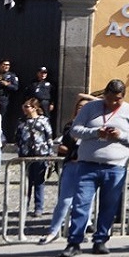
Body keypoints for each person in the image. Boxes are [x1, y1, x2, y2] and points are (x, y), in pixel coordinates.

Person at [60, 79, 129, 257]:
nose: (114, 103)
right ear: (105, 94)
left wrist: (121, 135)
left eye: (118, 99)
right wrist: (95, 133)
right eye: (111, 99)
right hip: (87, 165)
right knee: (81, 204)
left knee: (109, 206)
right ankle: (74, 242)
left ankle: (100, 240)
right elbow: (74, 130)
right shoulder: (89, 108)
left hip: (115, 167)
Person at [41, 95, 92, 244]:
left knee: (84, 202)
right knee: (65, 201)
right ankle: (53, 231)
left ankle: (78, 232)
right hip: (72, 166)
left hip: (87, 166)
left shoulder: (94, 126)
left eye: (85, 107)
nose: (82, 109)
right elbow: (70, 142)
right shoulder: (71, 125)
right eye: (80, 107)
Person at [15, 99, 55, 216]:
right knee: (26, 182)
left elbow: (49, 137)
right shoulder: (22, 121)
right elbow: (18, 138)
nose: (25, 108)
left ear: (34, 108)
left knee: (39, 181)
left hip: (40, 154)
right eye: (24, 106)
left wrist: (50, 154)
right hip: (26, 154)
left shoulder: (43, 121)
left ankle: (39, 207)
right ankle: (24, 207)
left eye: (27, 106)